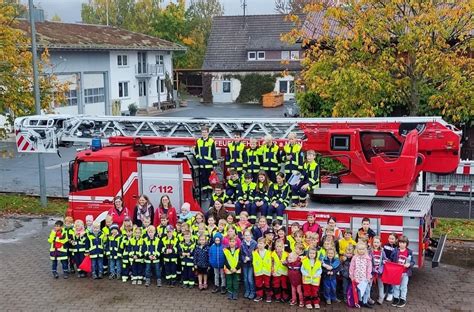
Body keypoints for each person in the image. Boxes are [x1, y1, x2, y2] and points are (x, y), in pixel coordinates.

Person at [390, 236, 415, 308]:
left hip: (405, 273)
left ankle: (402, 299)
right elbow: (391, 259)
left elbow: (413, 261)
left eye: (403, 243)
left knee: (403, 287)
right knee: (396, 286)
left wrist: (409, 264)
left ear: (406, 244)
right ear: (398, 243)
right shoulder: (395, 250)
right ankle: (396, 298)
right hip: (397, 273)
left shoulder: (409, 252)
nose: (402, 244)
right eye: (400, 242)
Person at [194, 126, 218, 199]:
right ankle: (205, 193)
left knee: (209, 179)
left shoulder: (211, 141)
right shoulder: (199, 141)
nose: (204, 134)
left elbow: (214, 153)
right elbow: (196, 151)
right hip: (201, 164)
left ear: (208, 133)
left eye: (205, 132)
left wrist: (214, 164)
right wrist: (198, 158)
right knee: (203, 179)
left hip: (209, 164)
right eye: (203, 132)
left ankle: (210, 193)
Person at [349, 243, 373, 308]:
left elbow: (369, 268)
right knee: (359, 290)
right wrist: (352, 276)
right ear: (357, 250)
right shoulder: (354, 258)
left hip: (365, 278)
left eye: (363, 249)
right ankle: (360, 301)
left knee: (367, 290)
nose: (361, 251)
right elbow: (352, 267)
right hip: (357, 277)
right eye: (359, 249)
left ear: (365, 250)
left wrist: (368, 277)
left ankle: (365, 301)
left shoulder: (367, 258)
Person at [252, 237, 273, 303]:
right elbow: (254, 262)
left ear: (264, 244)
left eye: (261, 243)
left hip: (266, 271)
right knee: (258, 284)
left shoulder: (269, 252)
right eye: (258, 243)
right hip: (258, 271)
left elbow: (271, 262)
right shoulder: (254, 252)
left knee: (267, 284)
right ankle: (259, 295)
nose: (259, 245)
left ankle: (268, 296)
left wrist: (271, 270)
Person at [240, 229, 257, 300]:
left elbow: (256, 254)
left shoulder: (255, 243)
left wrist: (249, 258)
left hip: (251, 264)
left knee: (250, 278)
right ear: (243, 236)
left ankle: (252, 292)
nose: (247, 237)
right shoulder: (242, 244)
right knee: (245, 279)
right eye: (246, 235)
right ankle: (247, 291)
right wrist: (244, 258)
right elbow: (241, 254)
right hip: (244, 264)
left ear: (251, 235)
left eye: (248, 235)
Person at [287, 243, 305, 307]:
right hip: (292, 280)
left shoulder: (299, 262)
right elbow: (286, 260)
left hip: (298, 280)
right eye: (289, 258)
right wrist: (287, 260)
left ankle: (301, 301)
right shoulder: (289, 263)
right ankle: (294, 300)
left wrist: (301, 259)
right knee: (293, 291)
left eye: (291, 258)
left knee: (299, 291)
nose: (289, 259)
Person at [371, 236, 386, 305]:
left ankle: (381, 298)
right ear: (372, 243)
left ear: (380, 243)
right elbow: (368, 262)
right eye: (374, 242)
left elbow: (385, 260)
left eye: (377, 242)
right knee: (369, 284)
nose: (376, 244)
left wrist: (381, 268)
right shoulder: (370, 251)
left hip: (380, 272)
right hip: (372, 271)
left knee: (381, 285)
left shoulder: (382, 252)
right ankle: (368, 298)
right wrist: (373, 269)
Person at [383, 232, 398, 302]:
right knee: (385, 280)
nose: (391, 240)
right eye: (390, 238)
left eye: (393, 239)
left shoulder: (397, 248)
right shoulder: (385, 246)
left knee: (391, 280)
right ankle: (383, 292)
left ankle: (390, 293)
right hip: (385, 265)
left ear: (396, 240)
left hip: (393, 266)